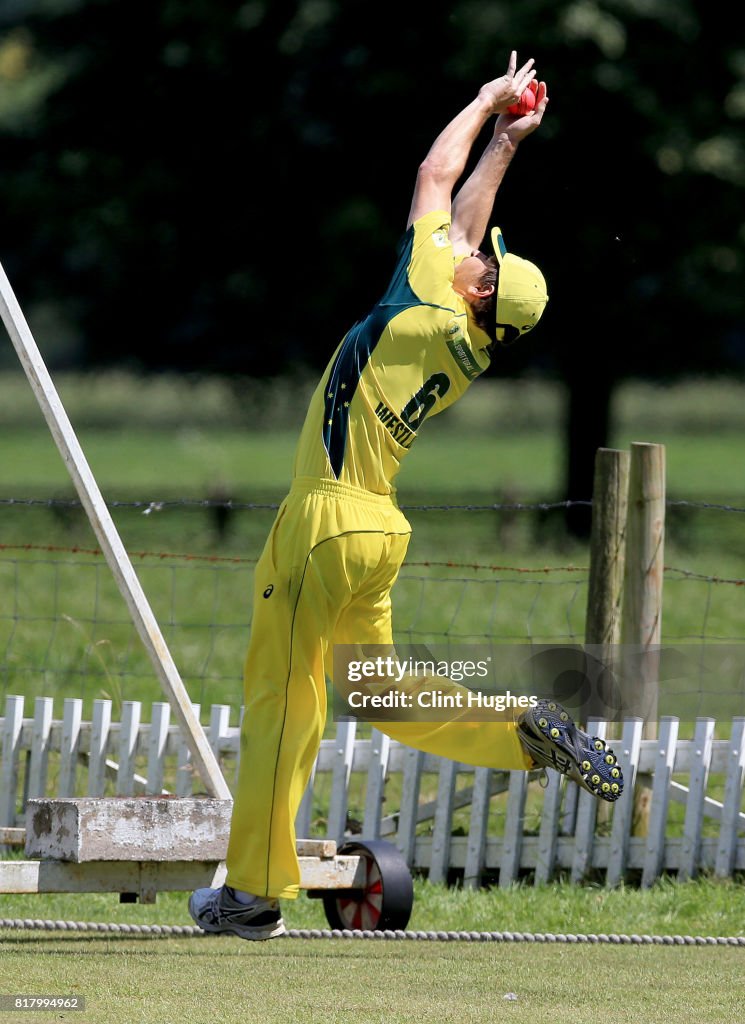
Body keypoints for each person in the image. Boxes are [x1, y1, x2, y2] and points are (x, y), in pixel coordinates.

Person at [189, 51, 623, 941]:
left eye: (485, 258)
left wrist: (480, 102)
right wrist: (505, 145)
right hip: (379, 532)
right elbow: (463, 223)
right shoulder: (466, 341)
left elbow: (434, 176)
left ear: (478, 288)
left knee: (284, 700)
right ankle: (519, 728)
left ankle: (252, 895)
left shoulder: (423, 300)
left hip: (323, 519)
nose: (475, 247)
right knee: (381, 697)